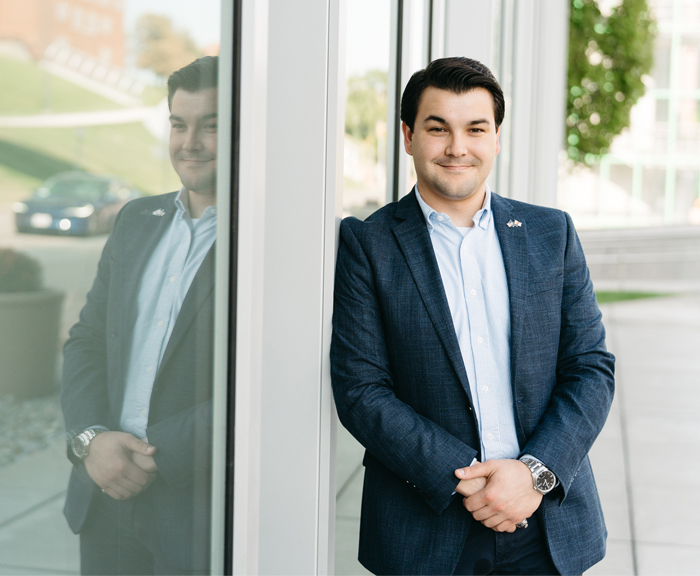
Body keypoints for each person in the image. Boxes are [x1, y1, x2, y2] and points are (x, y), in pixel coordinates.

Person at [330, 57, 615, 576]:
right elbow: (360, 390)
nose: (457, 147)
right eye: (438, 129)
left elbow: (590, 368)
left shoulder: (551, 234)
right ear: (408, 136)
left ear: (497, 138)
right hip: (426, 525)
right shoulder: (368, 244)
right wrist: (466, 479)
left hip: (546, 523)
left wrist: (533, 475)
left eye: (475, 129)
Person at [61, 55, 219, 575]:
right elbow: (86, 341)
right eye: (179, 124)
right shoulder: (136, 220)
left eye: (211, 126)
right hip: (103, 497)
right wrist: (92, 442)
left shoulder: (270, 243)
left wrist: (154, 456)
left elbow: (262, 385)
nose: (189, 142)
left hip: (197, 510)